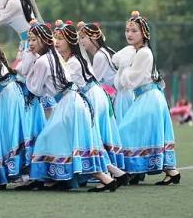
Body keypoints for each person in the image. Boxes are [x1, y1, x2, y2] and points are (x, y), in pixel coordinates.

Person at [17, 21, 117, 192]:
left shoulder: (43, 60)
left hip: (69, 103)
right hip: (73, 100)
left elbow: (35, 89)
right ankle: (53, 180)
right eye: (30, 40)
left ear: (42, 40)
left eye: (34, 40)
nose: (31, 44)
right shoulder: (52, 56)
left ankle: (105, 179)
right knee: (68, 142)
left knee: (52, 139)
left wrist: (27, 68)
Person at [55, 20, 128, 186]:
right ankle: (115, 172)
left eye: (60, 38)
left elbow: (63, 85)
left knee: (90, 139)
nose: (56, 42)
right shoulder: (78, 58)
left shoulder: (76, 61)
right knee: (93, 138)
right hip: (96, 94)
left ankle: (104, 172)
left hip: (91, 96)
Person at [115, 11, 179, 186]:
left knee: (126, 131)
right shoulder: (138, 52)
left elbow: (129, 80)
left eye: (134, 30)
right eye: (127, 30)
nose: (129, 34)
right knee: (142, 134)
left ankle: (162, 171)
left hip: (149, 97)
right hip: (146, 97)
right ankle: (165, 172)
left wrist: (124, 65)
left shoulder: (143, 53)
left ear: (144, 33)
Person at [0, 0, 55, 116]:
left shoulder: (15, 2)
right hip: (26, 43)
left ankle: (33, 119)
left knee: (25, 81)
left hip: (29, 45)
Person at [79, 22, 133, 123]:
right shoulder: (105, 50)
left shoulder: (100, 55)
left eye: (83, 37)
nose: (81, 41)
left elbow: (95, 84)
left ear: (94, 37)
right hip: (120, 94)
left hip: (117, 97)